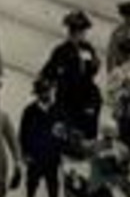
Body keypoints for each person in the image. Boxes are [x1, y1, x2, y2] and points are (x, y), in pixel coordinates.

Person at [39, 11, 102, 140]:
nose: (83, 35)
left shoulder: (87, 48)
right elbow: (48, 72)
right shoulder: (61, 51)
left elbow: (93, 69)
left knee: (94, 105)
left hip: (86, 92)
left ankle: (88, 141)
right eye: (81, 32)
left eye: (83, 32)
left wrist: (95, 65)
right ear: (73, 33)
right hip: (68, 95)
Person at [18, 81, 64, 197]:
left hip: (52, 154)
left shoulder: (57, 109)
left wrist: (61, 149)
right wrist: (25, 153)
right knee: (32, 181)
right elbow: (23, 133)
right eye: (44, 92)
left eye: (49, 91)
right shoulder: (29, 111)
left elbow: (62, 131)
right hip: (35, 154)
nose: (48, 94)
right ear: (38, 95)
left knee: (53, 183)